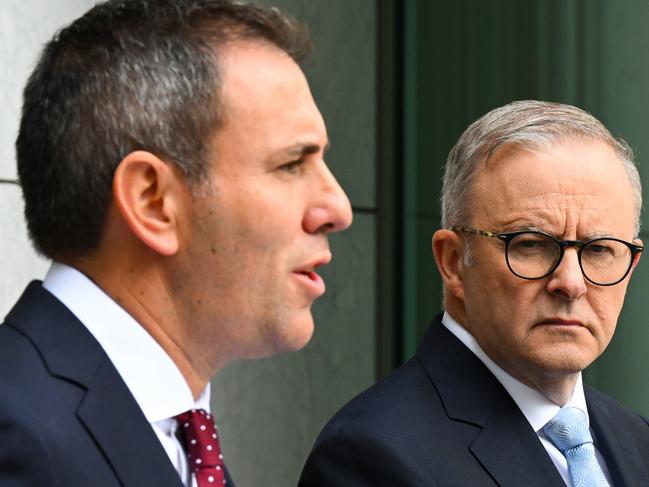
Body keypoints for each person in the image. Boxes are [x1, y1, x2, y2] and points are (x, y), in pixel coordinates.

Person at [0, 1, 352, 486]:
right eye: (291, 164)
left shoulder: (177, 432)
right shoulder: (19, 436)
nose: (338, 209)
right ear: (152, 201)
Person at [300, 100, 649, 486]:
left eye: (599, 250)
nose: (571, 283)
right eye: (530, 244)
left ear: (630, 267)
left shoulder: (638, 439)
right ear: (452, 261)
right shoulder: (373, 456)